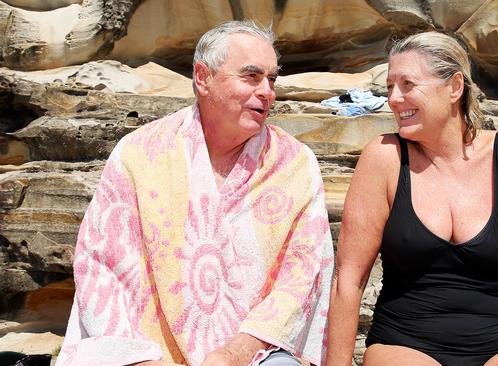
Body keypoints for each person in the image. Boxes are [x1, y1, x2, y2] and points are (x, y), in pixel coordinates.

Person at [57, 20, 334, 366]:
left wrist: (234, 354)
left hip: (254, 354)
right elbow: (100, 267)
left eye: (272, 79)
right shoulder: (139, 153)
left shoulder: (294, 163)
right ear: (203, 78)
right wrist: (142, 361)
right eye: (251, 76)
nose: (267, 91)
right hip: (144, 352)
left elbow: (302, 276)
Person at [325, 31, 498, 366]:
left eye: (408, 84)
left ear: (455, 88)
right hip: (405, 343)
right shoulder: (384, 158)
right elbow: (348, 280)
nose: (394, 98)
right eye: (389, 87)